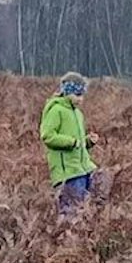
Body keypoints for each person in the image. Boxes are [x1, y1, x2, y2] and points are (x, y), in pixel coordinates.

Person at [39, 72, 103, 219]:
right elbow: (47, 136)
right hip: (68, 174)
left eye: (82, 95)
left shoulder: (78, 114)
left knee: (88, 209)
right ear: (67, 92)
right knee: (71, 214)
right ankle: (66, 239)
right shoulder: (56, 110)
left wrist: (87, 142)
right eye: (77, 94)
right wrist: (71, 142)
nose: (80, 99)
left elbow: (78, 143)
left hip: (84, 169)